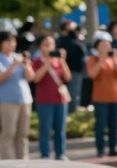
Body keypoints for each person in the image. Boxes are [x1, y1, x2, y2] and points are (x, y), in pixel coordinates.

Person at [87, 32, 117, 157]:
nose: (106, 48)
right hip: (100, 98)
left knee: (114, 125)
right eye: (103, 45)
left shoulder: (114, 59)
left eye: (108, 45)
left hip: (116, 97)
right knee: (100, 125)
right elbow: (92, 75)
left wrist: (115, 58)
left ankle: (113, 148)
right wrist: (101, 60)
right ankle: (100, 149)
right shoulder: (92, 59)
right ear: (97, 47)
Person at [32, 35, 71, 160]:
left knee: (60, 129)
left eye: (52, 44)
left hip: (60, 99)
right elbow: (36, 78)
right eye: (46, 44)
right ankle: (45, 154)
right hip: (44, 100)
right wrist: (47, 62)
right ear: (40, 47)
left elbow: (68, 77)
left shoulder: (59, 61)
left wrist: (63, 61)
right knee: (45, 129)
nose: (50, 47)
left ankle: (60, 153)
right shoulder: (37, 61)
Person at [0, 30, 34, 160]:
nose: (11, 44)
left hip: (24, 99)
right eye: (7, 41)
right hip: (7, 101)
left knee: (23, 134)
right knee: (8, 133)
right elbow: (1, 78)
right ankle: (8, 162)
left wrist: (27, 65)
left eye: (13, 41)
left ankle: (23, 161)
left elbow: (30, 77)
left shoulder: (19, 57)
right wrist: (14, 65)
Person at [57, 20, 86, 110]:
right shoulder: (60, 41)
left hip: (75, 71)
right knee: (65, 94)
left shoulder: (75, 39)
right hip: (62, 71)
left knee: (74, 94)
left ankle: (72, 113)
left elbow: (83, 52)